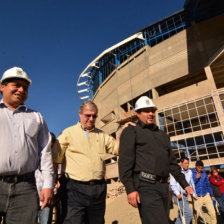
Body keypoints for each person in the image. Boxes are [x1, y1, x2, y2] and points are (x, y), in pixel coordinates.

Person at [118, 96, 193, 224]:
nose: (151, 114)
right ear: (138, 113)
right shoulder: (131, 132)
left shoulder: (163, 136)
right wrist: (130, 189)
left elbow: (172, 164)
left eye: (152, 110)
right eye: (146, 111)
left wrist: (185, 184)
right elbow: (125, 163)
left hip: (164, 187)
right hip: (145, 186)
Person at [0, 67, 54, 224]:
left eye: (25, 87)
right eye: (16, 84)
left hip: (25, 189)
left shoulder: (36, 117)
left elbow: (45, 153)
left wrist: (47, 185)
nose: (21, 90)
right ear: (2, 86)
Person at [52, 101, 119, 224]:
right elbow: (55, 159)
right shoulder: (68, 133)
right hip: (74, 189)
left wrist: (124, 129)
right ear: (80, 114)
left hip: (98, 190)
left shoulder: (102, 135)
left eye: (94, 116)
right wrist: (54, 182)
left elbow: (117, 148)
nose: (91, 119)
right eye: (88, 115)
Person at [36, 132, 57, 224]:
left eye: (51, 147)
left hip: (46, 199)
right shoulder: (31, 156)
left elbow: (55, 176)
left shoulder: (54, 160)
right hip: (29, 196)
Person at [170, 157, 197, 224]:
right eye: (185, 163)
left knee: (182, 214)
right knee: (188, 214)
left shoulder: (190, 172)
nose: (187, 165)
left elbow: (191, 184)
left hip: (185, 195)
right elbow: (172, 184)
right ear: (181, 163)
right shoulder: (175, 171)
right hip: (178, 195)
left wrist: (194, 195)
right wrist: (177, 193)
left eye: (188, 163)